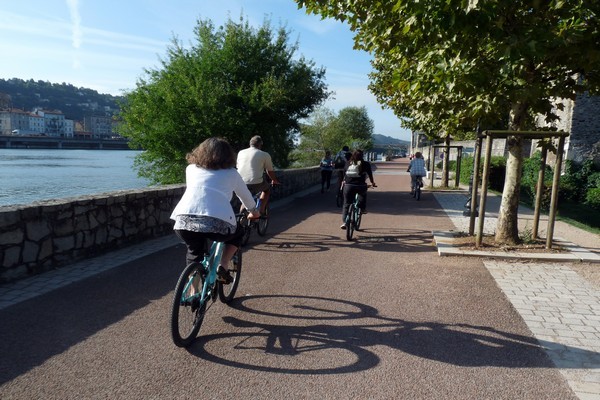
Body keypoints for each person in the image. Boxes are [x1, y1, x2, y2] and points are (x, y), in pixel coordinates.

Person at [171, 137, 260, 284]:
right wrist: (254, 212)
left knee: (194, 253)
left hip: (183, 220)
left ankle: (193, 291)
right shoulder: (232, 173)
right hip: (217, 221)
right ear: (228, 155)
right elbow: (246, 198)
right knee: (238, 233)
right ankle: (223, 264)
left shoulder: (190, 169)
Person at [236, 135, 280, 213]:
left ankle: (241, 219)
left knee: (245, 199)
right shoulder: (264, 154)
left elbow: (238, 166)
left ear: (250, 144)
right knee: (266, 190)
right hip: (256, 182)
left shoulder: (241, 152)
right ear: (260, 144)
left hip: (239, 181)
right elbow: (269, 171)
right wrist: (274, 180)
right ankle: (261, 210)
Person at [340, 149, 376, 229]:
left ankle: (345, 222)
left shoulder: (348, 163)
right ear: (362, 156)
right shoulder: (365, 164)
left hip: (348, 186)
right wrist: (372, 183)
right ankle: (362, 208)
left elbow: (344, 174)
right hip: (360, 185)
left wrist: (343, 181)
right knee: (362, 195)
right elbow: (370, 174)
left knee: (346, 204)